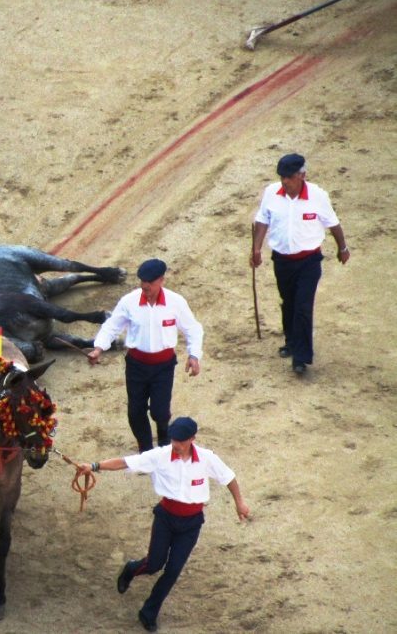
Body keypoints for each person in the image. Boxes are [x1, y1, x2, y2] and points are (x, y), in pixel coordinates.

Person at [76, 417, 250, 632]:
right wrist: (94, 466)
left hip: (192, 523)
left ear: (192, 439)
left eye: (181, 441)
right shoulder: (160, 456)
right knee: (154, 564)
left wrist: (239, 502)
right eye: (174, 439)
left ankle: (149, 612)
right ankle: (131, 569)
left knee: (173, 570)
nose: (175, 445)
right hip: (166, 518)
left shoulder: (207, 459)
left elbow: (229, 478)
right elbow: (125, 462)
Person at [87, 259, 204, 452]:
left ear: (161, 280)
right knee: (135, 411)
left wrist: (194, 355)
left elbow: (193, 329)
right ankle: (146, 449)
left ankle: (164, 437)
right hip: (136, 365)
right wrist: (99, 348)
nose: (145, 286)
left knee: (160, 411)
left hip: (163, 366)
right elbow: (112, 326)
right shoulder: (129, 301)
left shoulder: (175, 302)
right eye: (142, 281)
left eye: (150, 282)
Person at [250, 153, 349, 375]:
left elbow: (333, 223)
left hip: (309, 261)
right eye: (282, 176)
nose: (285, 181)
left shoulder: (317, 195)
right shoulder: (271, 193)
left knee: (303, 307)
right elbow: (262, 220)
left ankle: (301, 357)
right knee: (289, 302)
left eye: (289, 176)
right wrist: (256, 248)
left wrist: (342, 247)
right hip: (282, 260)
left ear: (302, 175)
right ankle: (291, 341)